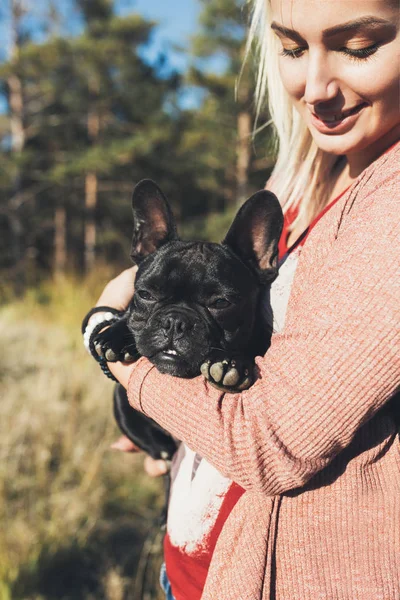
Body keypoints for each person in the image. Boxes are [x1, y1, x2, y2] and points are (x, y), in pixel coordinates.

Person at [89, 0, 400, 598]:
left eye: (358, 48)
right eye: (290, 48)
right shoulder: (307, 176)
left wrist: (111, 344)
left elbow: (272, 442)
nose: (314, 88)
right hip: (199, 568)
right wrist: (174, 428)